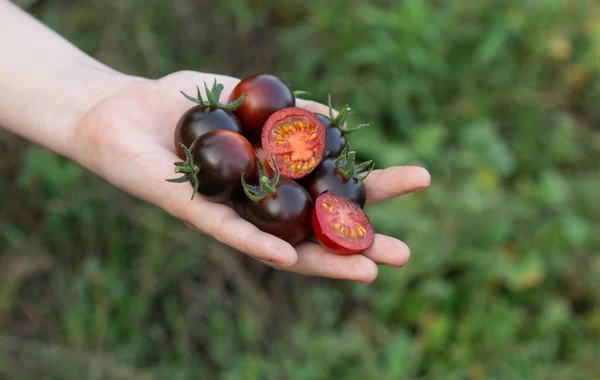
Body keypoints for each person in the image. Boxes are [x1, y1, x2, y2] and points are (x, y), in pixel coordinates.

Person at [0, 0, 430, 284]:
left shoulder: (314, 175)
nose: (293, 147)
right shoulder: (224, 140)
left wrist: (92, 104)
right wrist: (97, 108)